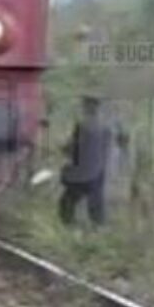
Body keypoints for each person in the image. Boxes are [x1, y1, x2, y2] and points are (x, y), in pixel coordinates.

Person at [58, 95, 112, 226]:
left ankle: (70, 227)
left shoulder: (82, 126)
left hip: (81, 174)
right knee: (96, 205)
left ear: (87, 107)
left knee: (66, 203)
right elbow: (105, 151)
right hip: (98, 174)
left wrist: (63, 149)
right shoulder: (106, 127)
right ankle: (98, 227)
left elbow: (73, 149)